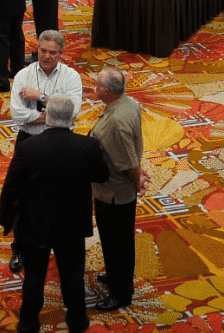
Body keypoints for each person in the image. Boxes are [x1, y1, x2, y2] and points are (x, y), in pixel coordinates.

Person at [0, 95, 109, 333]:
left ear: (46, 116)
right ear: (72, 118)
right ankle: (77, 322)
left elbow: (11, 187)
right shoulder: (88, 146)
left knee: (35, 277)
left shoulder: (27, 148)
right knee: (72, 275)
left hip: (34, 225)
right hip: (72, 225)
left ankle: (28, 325)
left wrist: (4, 219)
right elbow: (102, 176)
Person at [6, 29, 82, 275]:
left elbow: (72, 112)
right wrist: (51, 116)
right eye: (42, 51)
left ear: (61, 53)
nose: (46, 56)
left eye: (52, 52)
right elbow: (18, 115)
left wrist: (40, 97)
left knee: (60, 193)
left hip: (61, 143)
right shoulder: (22, 75)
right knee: (22, 196)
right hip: (28, 142)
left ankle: (58, 243)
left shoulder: (71, 77)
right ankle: (19, 248)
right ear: (36, 49)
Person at [88, 68, 144, 312]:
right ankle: (115, 277)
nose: (94, 88)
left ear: (107, 91)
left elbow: (128, 163)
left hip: (115, 194)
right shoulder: (128, 102)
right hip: (112, 190)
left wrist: (138, 181)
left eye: (97, 85)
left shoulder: (117, 123)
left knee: (117, 244)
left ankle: (121, 293)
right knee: (115, 242)